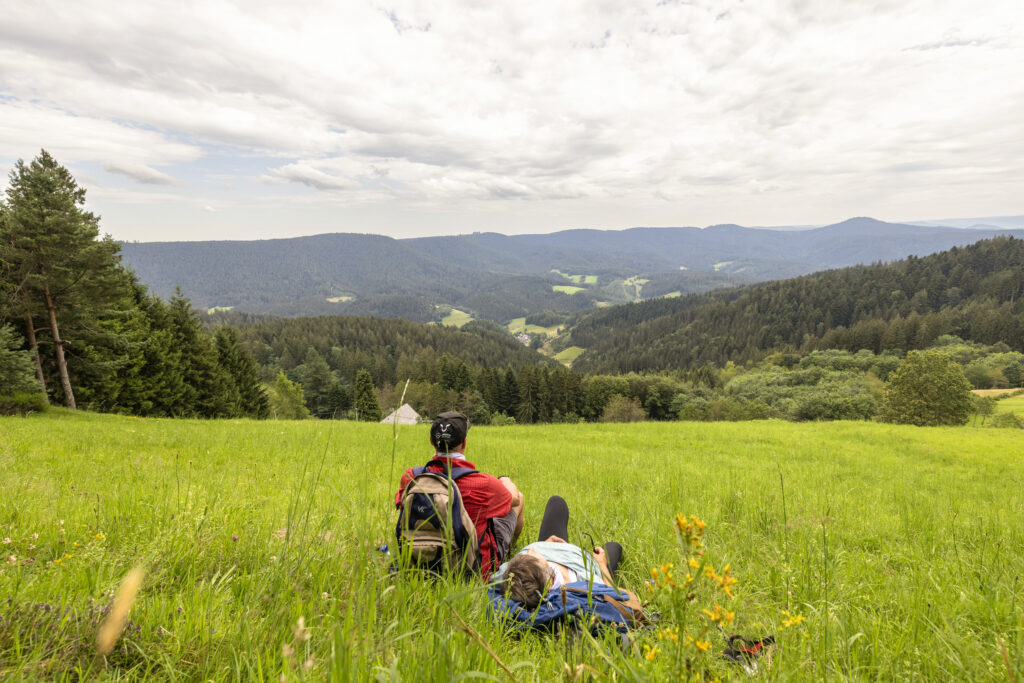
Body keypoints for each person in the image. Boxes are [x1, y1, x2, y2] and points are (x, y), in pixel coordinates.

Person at [394, 411, 524, 580]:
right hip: (473, 571)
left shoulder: (411, 477)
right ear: (464, 443)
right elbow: (513, 498)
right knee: (519, 499)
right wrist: (505, 480)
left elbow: (400, 506)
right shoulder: (485, 483)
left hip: (419, 564)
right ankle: (511, 550)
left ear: (431, 441)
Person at [494, 495, 623, 609]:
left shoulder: (508, 576)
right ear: (549, 580)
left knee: (557, 503)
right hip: (587, 564)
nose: (532, 550)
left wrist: (545, 546)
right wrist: (601, 565)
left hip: (556, 547)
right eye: (533, 555)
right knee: (614, 547)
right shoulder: (587, 585)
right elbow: (614, 599)